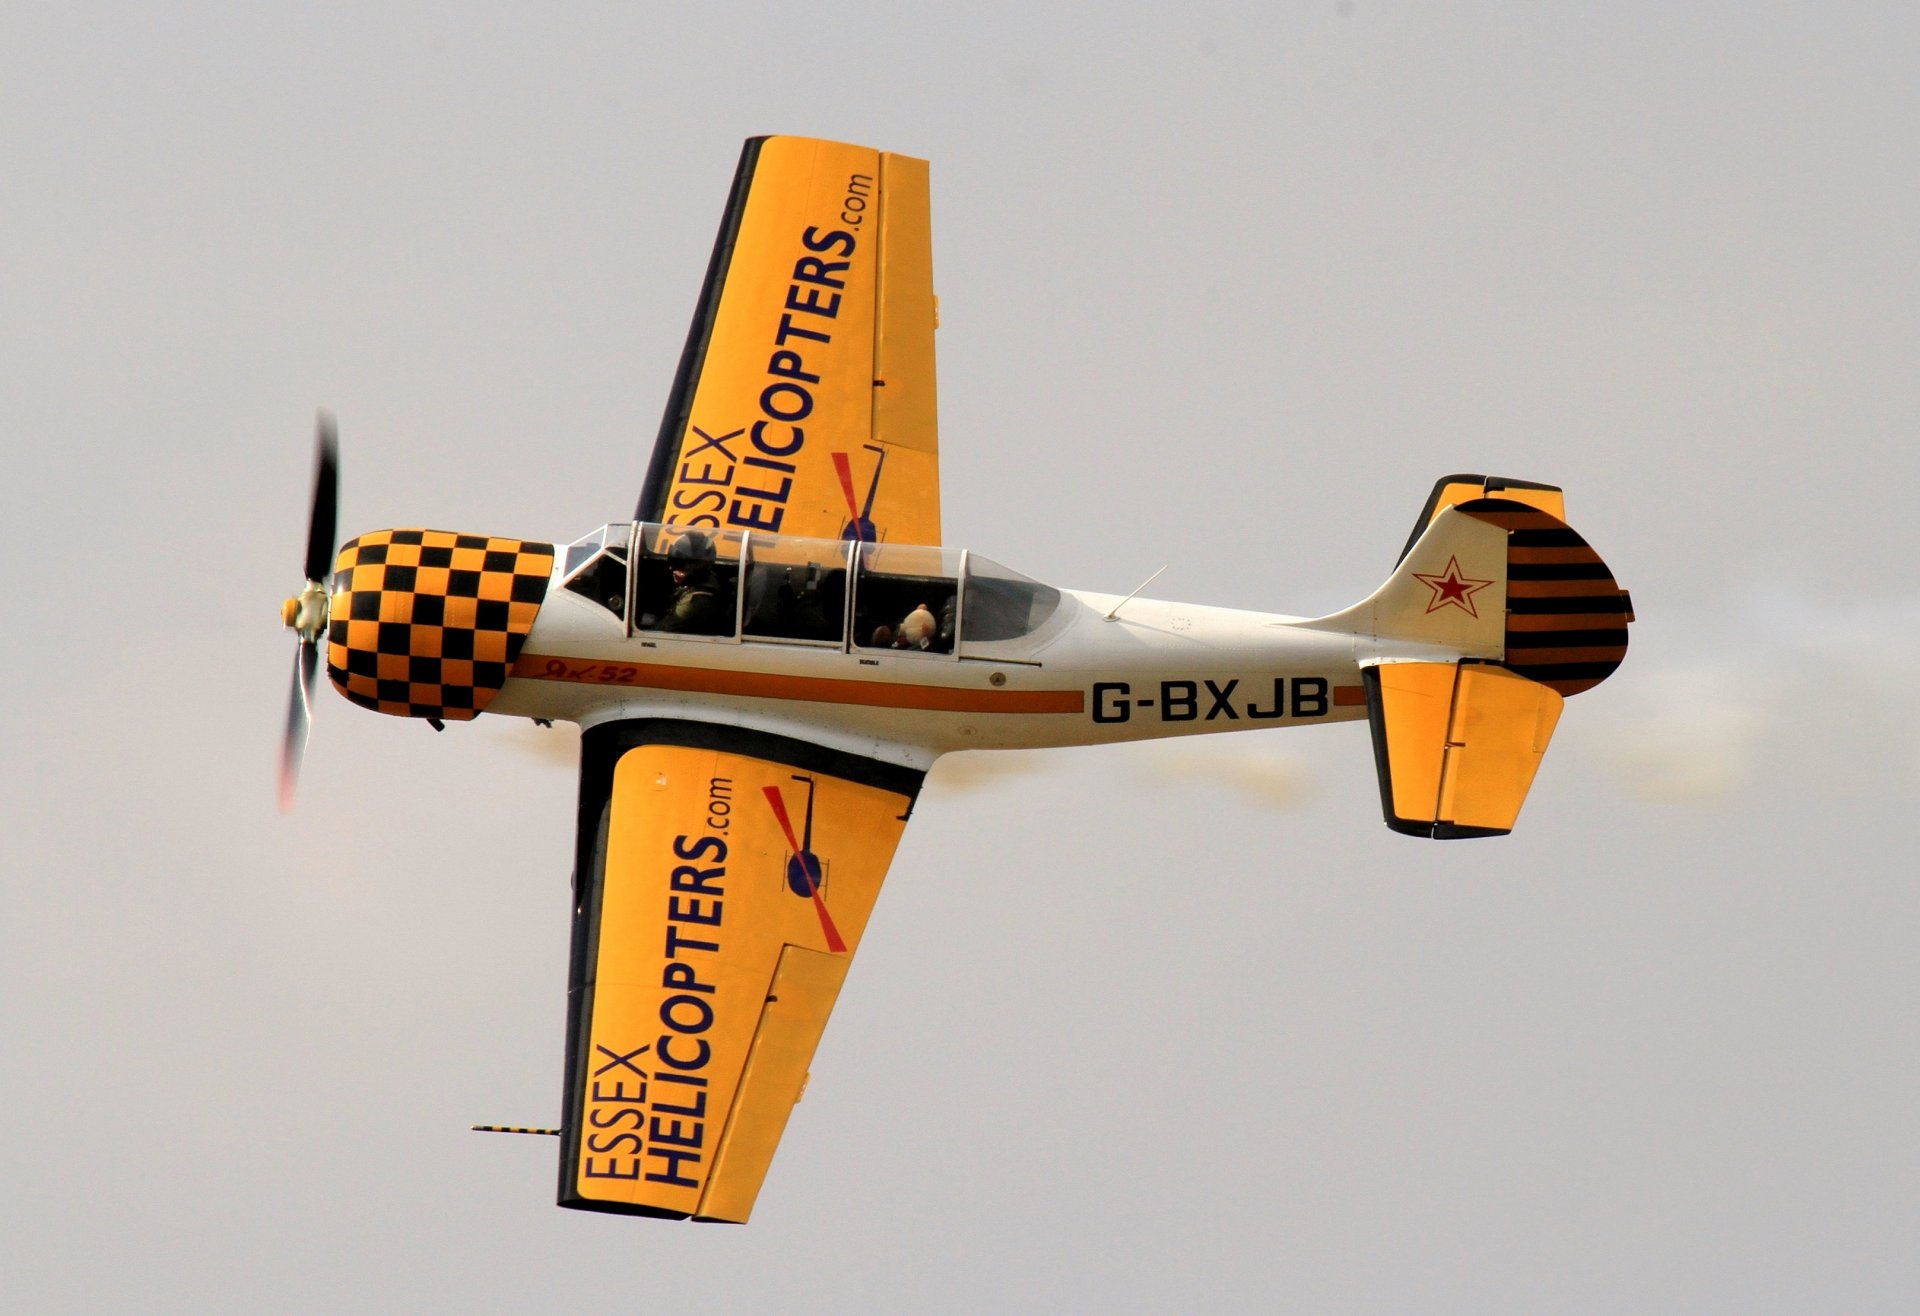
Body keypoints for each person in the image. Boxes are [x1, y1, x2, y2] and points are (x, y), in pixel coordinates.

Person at [658, 531, 730, 634]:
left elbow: (661, 634)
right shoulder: (709, 578)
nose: (671, 568)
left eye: (678, 564)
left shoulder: (696, 602)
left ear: (698, 567)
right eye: (673, 562)